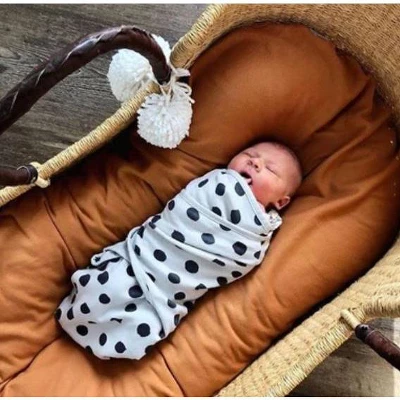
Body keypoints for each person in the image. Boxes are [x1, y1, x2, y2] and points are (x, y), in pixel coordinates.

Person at [55, 141, 302, 360]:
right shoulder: (216, 183)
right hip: (142, 258)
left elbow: (240, 261)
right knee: (112, 285)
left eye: (270, 169)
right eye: (250, 154)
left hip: (167, 292)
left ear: (281, 202)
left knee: (140, 320)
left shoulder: (255, 235)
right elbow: (183, 209)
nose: (255, 162)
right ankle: (83, 308)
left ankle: (115, 334)